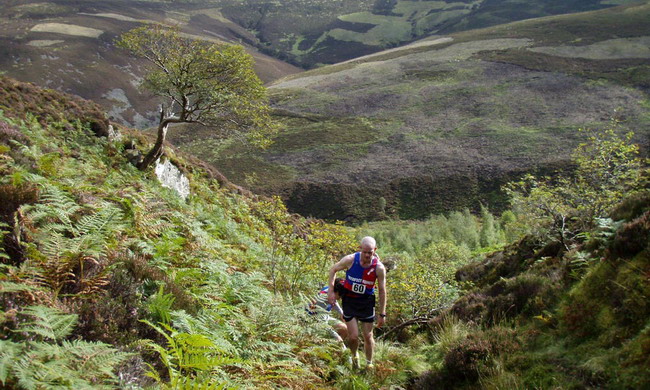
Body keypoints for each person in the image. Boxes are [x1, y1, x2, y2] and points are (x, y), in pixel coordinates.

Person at [327, 236, 387, 369]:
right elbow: (333, 270)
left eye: (370, 252)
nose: (367, 255)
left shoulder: (379, 268)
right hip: (349, 300)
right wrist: (331, 291)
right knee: (353, 337)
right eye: (364, 252)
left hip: (366, 302)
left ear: (375, 250)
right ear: (360, 249)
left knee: (368, 335)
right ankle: (355, 357)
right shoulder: (350, 260)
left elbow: (382, 291)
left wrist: (382, 313)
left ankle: (369, 363)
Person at [306, 278, 348, 348]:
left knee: (344, 328)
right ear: (336, 292)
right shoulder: (322, 299)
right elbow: (320, 321)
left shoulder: (331, 292)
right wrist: (335, 335)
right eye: (340, 296)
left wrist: (341, 313)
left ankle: (334, 349)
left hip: (325, 317)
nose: (340, 298)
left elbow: (334, 302)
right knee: (339, 341)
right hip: (314, 321)